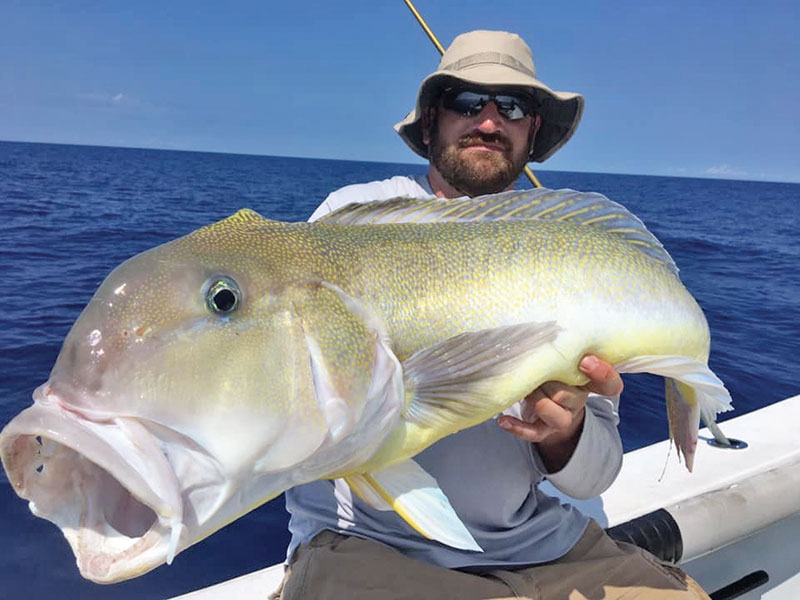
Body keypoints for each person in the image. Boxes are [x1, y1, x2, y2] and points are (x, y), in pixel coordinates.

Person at [275, 30, 710, 599]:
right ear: (430, 122)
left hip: (540, 550)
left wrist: (567, 432)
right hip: (375, 547)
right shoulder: (352, 218)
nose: (487, 120)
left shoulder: (573, 253)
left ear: (532, 131)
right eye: (464, 102)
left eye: (512, 106)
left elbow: (594, 477)